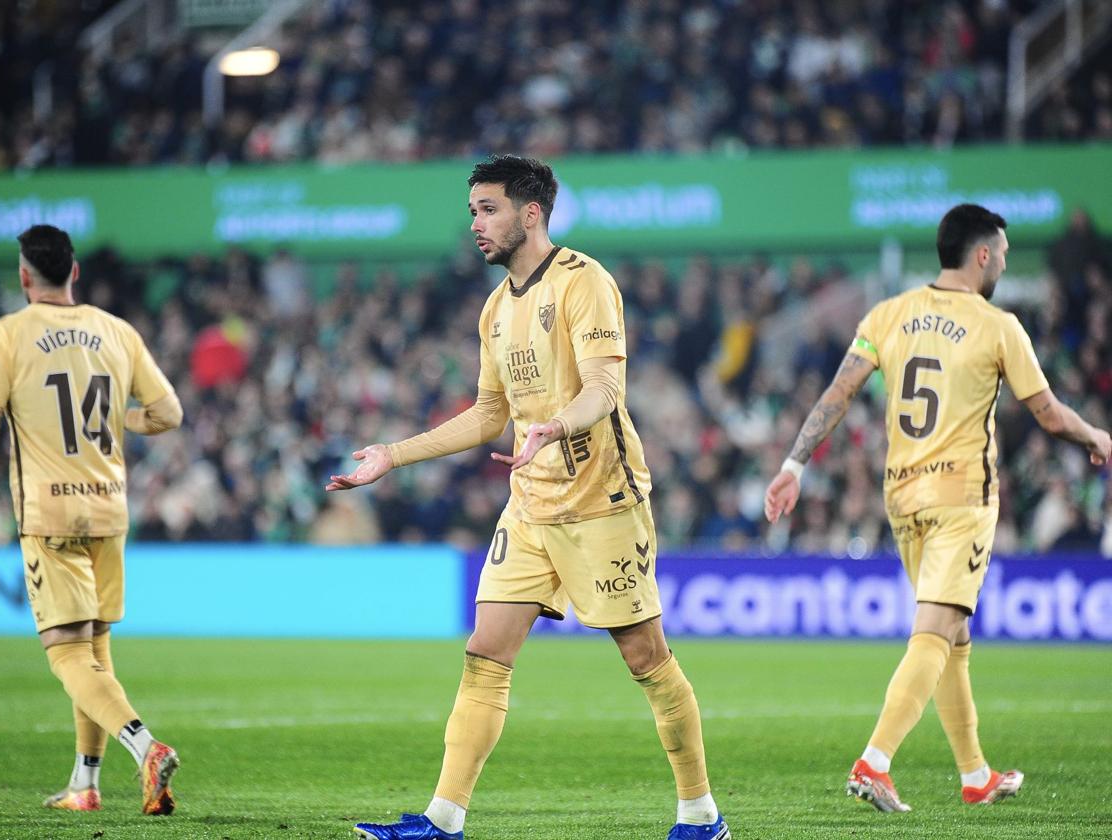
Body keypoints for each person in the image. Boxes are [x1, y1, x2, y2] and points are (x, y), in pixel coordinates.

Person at [328, 155, 730, 840]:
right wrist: (394, 455)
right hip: (531, 505)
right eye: (472, 212)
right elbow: (488, 416)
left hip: (603, 501)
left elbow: (606, 387)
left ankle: (701, 814)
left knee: (646, 658)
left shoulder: (585, 283)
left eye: (488, 209)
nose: (476, 225)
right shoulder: (494, 308)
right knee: (485, 651)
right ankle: (443, 819)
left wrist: (556, 423)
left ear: (531, 213)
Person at [764, 203, 1111, 813]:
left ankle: (975, 773)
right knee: (934, 632)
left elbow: (839, 393)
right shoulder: (998, 325)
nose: (1003, 261)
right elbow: (1050, 414)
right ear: (982, 254)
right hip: (961, 499)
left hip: (902, 498)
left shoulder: (889, 313)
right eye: (1001, 252)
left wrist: (794, 465)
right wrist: (1097, 438)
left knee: (952, 634)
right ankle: (874, 761)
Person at [0, 225, 185, 815]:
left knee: (65, 653)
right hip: (109, 508)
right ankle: (85, 783)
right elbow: (168, 412)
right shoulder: (116, 331)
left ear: (24, 276)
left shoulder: (7, 333)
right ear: (75, 272)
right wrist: (119, 422)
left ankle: (145, 746)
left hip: (50, 509)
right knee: (95, 647)